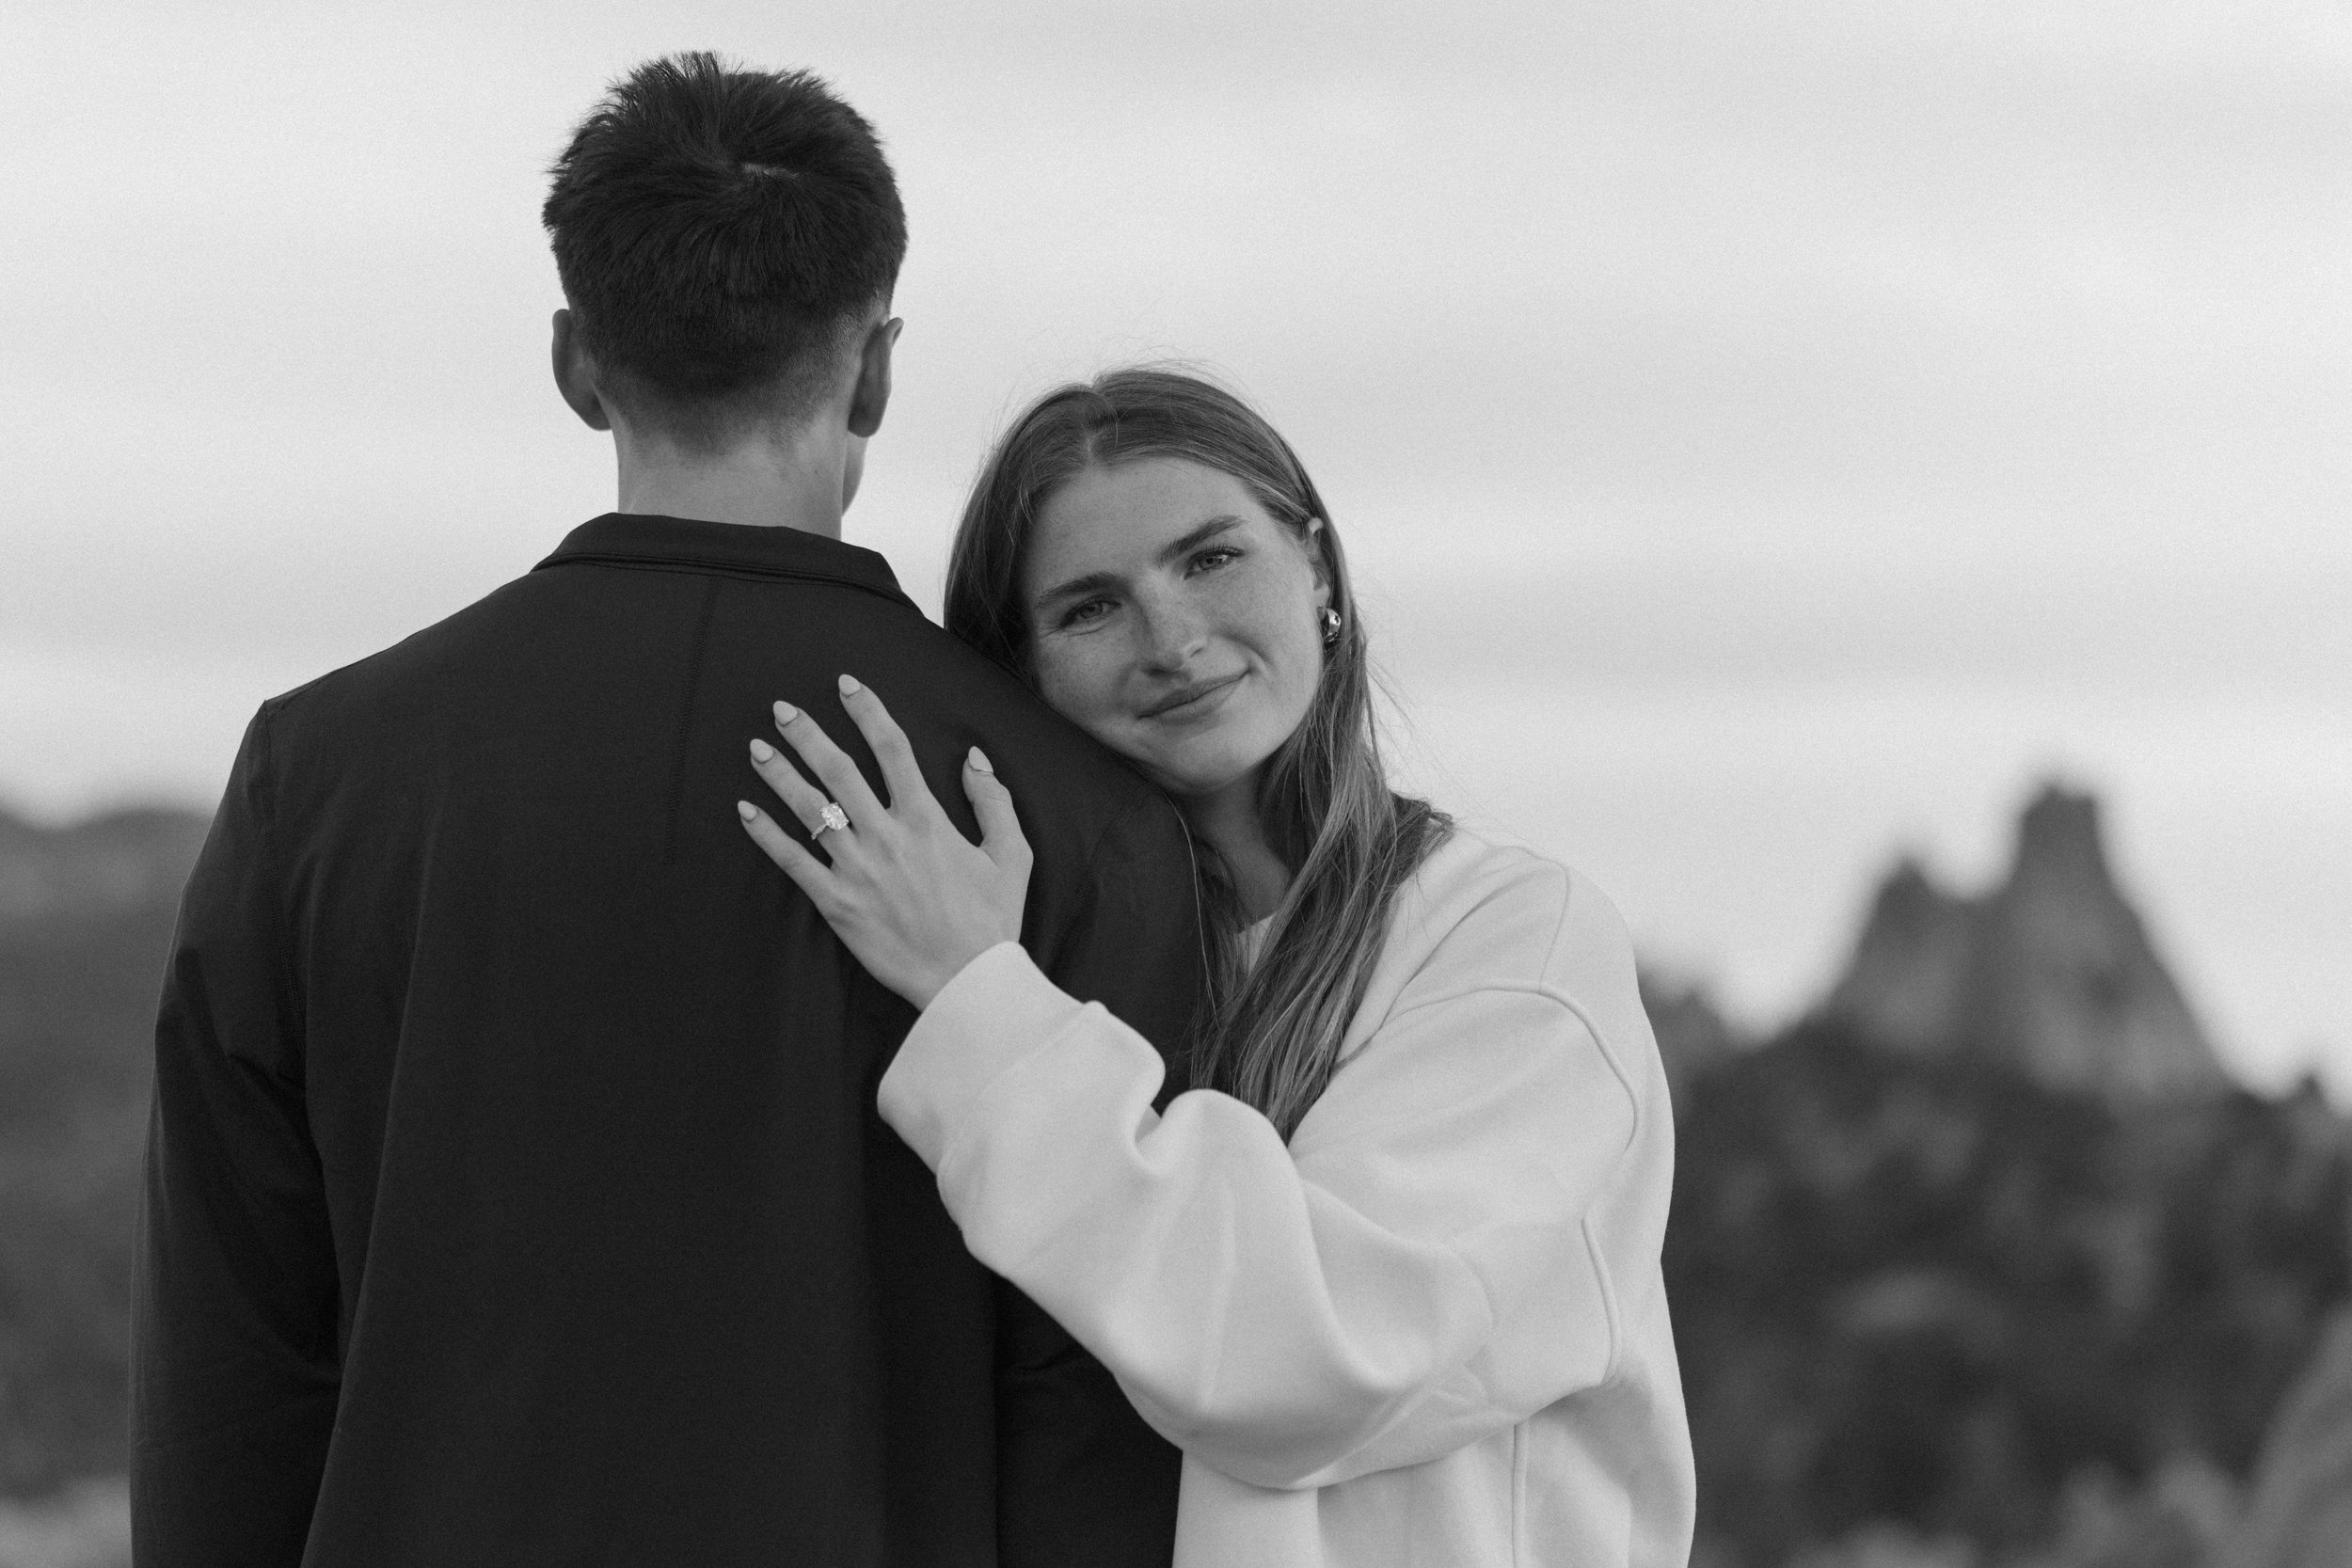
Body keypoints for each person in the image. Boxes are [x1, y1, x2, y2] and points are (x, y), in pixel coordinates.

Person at [134, 55, 1201, 1567]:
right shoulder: (1069, 811)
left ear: (577, 362)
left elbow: (233, 1372)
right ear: (878, 367)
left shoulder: (315, 774)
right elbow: (1094, 1407)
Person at [738, 368, 1698, 1567]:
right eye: (1089, 608)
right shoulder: (1061, 967)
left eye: (1210, 558)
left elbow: (1306, 1357)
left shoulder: (1511, 941)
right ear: (1020, 673)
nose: (1172, 640)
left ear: (1318, 570)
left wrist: (977, 999)